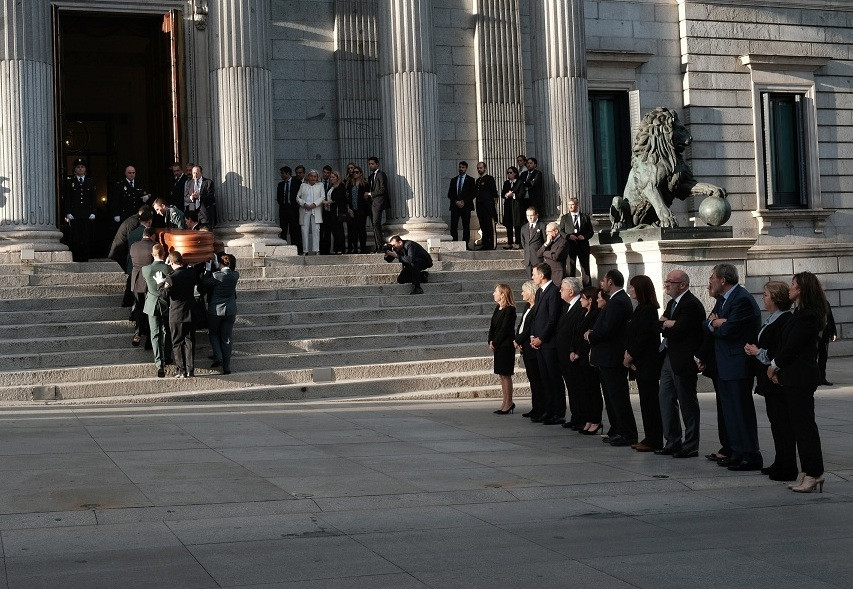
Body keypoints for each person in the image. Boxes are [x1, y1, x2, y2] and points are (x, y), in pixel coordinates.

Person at [768, 271, 828, 493]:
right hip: (792, 377)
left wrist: (774, 365)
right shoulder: (799, 313)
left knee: (805, 428)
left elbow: (792, 347)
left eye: (793, 285)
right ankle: (807, 471)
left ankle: (814, 473)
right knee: (798, 426)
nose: (789, 288)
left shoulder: (808, 315)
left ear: (801, 289)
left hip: (800, 378)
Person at [705, 263, 762, 471]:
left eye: (712, 277)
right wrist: (715, 323)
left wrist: (718, 324)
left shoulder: (742, 299)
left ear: (723, 279)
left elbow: (729, 330)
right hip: (724, 365)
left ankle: (749, 454)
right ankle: (737, 452)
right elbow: (708, 323)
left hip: (738, 365)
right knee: (730, 412)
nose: (709, 281)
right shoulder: (723, 299)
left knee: (741, 411)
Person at [744, 281, 795, 481]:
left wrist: (758, 352)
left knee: (783, 424)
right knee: (776, 423)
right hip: (767, 379)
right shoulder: (773, 319)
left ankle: (788, 465)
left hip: (777, 380)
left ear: (774, 298)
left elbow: (780, 351)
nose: (763, 298)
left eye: (765, 295)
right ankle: (780, 461)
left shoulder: (784, 320)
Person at [655, 270, 706, 458]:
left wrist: (669, 325)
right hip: (669, 357)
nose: (666, 284)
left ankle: (691, 444)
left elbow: (680, 330)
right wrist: (668, 324)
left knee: (687, 402)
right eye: (666, 281)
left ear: (682, 285)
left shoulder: (691, 304)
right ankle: (672, 440)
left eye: (670, 282)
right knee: (665, 397)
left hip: (684, 359)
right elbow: (661, 325)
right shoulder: (672, 303)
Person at [586, 269, 637, 446]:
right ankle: (616, 429)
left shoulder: (618, 301)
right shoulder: (616, 300)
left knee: (618, 397)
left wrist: (591, 335)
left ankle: (627, 433)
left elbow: (608, 328)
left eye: (604, 280)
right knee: (611, 397)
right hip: (607, 357)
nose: (602, 283)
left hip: (612, 357)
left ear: (611, 282)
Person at [624, 275, 663, 452]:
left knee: (650, 403)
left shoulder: (648, 310)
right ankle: (649, 437)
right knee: (646, 402)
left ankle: (653, 439)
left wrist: (630, 355)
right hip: (639, 362)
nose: (630, 290)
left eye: (632, 287)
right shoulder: (640, 308)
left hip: (647, 363)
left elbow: (644, 337)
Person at [529, 263, 565, 425]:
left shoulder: (554, 292)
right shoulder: (539, 292)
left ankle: (558, 412)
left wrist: (541, 338)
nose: (532, 277)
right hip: (539, 343)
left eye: (534, 274)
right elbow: (536, 317)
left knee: (553, 378)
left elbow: (552, 320)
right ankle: (548, 410)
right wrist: (532, 336)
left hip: (549, 343)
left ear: (542, 275)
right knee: (544, 378)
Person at [157, 251, 198, 378]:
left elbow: (164, 294)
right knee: (190, 341)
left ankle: (181, 370)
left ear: (171, 262)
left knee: (177, 342)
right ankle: (190, 369)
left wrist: (159, 283)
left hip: (177, 314)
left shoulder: (171, 277)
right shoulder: (191, 272)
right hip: (190, 311)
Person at [554, 277, 585, 429]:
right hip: (564, 354)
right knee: (571, 388)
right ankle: (575, 416)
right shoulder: (567, 306)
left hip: (573, 355)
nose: (560, 291)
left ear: (571, 291)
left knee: (578, 388)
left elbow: (578, 331)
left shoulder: (580, 306)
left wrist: (575, 350)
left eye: (562, 289)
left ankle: (581, 417)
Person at [573, 287, 604, 435]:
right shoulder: (582, 313)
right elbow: (578, 334)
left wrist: (580, 353)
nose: (580, 300)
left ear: (589, 299)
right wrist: (573, 351)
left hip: (588, 358)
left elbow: (589, 337)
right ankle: (588, 419)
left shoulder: (595, 314)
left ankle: (596, 420)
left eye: (583, 298)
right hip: (579, 357)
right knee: (584, 390)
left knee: (593, 391)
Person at [203, 253, 240, 375]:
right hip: (230, 310)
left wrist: (209, 268)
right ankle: (226, 366)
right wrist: (217, 265)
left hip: (216, 310)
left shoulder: (217, 275)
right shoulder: (235, 275)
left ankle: (218, 357)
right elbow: (226, 271)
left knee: (213, 333)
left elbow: (205, 282)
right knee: (227, 338)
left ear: (222, 263)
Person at [141, 243, 173, 377]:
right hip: (166, 303)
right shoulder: (169, 268)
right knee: (167, 331)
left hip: (152, 304)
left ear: (152, 254)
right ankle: (167, 356)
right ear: (164, 253)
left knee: (155, 334)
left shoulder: (146, 269)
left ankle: (159, 362)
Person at [515, 281, 545, 419]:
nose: (522, 293)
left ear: (531, 292)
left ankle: (541, 408)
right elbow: (521, 325)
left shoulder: (535, 308)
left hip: (532, 347)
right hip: (524, 347)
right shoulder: (527, 306)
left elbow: (528, 329)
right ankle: (535, 407)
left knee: (537, 379)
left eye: (524, 291)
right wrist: (517, 339)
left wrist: (519, 340)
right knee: (532, 379)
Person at [61, 157, 97, 262]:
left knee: (86, 236)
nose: (80, 169)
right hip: (74, 214)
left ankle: (85, 257)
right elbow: (67, 198)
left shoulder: (90, 182)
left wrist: (93, 212)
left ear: (85, 169)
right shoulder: (70, 182)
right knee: (75, 237)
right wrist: (67, 212)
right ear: (74, 169)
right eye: (78, 167)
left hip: (86, 214)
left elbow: (93, 198)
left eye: (82, 167)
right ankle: (76, 256)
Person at [489, 284, 517, 414]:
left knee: (506, 374)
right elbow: (493, 326)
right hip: (498, 345)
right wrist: (490, 341)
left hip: (505, 345)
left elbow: (505, 329)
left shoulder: (510, 310)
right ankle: (504, 401)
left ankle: (509, 402)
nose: (493, 294)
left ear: (502, 294)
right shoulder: (497, 308)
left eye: (496, 292)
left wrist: (495, 342)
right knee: (501, 374)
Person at [128, 227, 156, 349]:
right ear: (152, 236)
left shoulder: (134, 246)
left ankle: (138, 332)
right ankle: (149, 339)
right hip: (149, 280)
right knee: (150, 309)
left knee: (139, 307)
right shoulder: (154, 246)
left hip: (137, 280)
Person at [558, 197, 594, 286]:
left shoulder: (585, 217)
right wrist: (569, 236)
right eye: (569, 205)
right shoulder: (564, 218)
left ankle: (587, 289)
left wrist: (584, 237)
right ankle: (571, 287)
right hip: (570, 247)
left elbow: (591, 232)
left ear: (577, 205)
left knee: (585, 269)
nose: (570, 207)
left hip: (583, 247)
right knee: (570, 269)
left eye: (572, 204)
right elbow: (561, 231)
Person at [447, 161, 476, 247]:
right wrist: (456, 201)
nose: (461, 169)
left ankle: (465, 244)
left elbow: (473, 193)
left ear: (466, 168)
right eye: (460, 167)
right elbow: (450, 194)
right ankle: (454, 244)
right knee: (453, 226)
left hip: (466, 206)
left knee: (466, 226)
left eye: (463, 167)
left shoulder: (470, 180)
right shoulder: (453, 180)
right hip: (455, 206)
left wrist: (464, 201)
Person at [296, 170, 325, 254]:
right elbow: (297, 197)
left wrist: (315, 204)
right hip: (305, 209)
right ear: (308, 177)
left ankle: (316, 250)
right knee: (304, 230)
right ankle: (305, 250)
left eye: (315, 176)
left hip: (315, 209)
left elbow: (322, 197)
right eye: (311, 176)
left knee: (316, 229)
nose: (313, 178)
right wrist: (304, 203)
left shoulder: (320, 185)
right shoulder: (303, 185)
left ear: (317, 177)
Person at [365, 156, 390, 252]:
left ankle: (380, 246)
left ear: (377, 164)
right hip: (372, 203)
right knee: (375, 224)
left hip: (378, 202)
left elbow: (383, 189)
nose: (370, 166)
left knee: (376, 223)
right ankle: (378, 246)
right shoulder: (371, 177)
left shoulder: (381, 174)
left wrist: (370, 194)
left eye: (372, 164)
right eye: (369, 164)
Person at [536, 222, 569, 287]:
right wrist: (546, 244)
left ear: (556, 231)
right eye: (546, 231)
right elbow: (539, 254)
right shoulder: (548, 241)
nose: (547, 234)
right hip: (547, 273)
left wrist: (544, 253)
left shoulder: (563, 242)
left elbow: (555, 256)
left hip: (557, 274)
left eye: (549, 231)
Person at [475, 161, 499, 250]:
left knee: (490, 226)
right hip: (480, 207)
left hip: (488, 207)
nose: (479, 169)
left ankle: (492, 244)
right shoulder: (477, 181)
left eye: (480, 168)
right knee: (483, 226)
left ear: (484, 168)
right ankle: (485, 244)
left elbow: (494, 193)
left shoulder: (489, 178)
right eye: (478, 168)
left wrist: (492, 206)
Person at [501, 166, 525, 250]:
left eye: (511, 172)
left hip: (516, 206)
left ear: (515, 173)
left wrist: (513, 195)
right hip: (508, 206)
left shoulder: (519, 182)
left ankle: (518, 242)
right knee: (508, 224)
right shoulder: (506, 183)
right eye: (508, 172)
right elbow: (502, 194)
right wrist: (507, 195)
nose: (509, 174)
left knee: (517, 224)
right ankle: (509, 242)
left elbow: (521, 194)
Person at [346, 165, 369, 253]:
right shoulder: (351, 184)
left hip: (361, 210)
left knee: (362, 229)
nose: (355, 174)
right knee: (353, 230)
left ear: (360, 173)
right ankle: (355, 248)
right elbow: (348, 197)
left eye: (357, 172)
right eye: (354, 172)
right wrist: (349, 208)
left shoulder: (365, 184)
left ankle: (363, 248)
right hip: (353, 210)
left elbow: (367, 197)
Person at [324, 170, 347, 254]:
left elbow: (338, 198)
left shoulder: (340, 186)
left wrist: (328, 202)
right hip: (330, 211)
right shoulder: (331, 187)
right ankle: (336, 248)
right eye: (331, 177)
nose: (331, 179)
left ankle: (341, 248)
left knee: (339, 230)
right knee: (334, 230)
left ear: (337, 178)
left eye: (333, 177)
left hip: (337, 211)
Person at [520, 208, 546, 277]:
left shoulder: (542, 226)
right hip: (528, 260)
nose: (529, 217)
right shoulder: (523, 228)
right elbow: (523, 242)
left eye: (531, 215)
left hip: (538, 258)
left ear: (537, 215)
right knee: (530, 280)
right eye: (528, 215)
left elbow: (545, 241)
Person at [818, 300, 836, 386]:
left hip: (824, 334)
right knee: (813, 357)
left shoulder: (825, 302)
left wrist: (833, 332)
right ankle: (815, 377)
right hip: (814, 334)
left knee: (823, 357)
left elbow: (830, 317)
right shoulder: (809, 302)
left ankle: (822, 378)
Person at [276, 166, 294, 241]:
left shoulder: (296, 182)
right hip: (283, 209)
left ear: (288, 173)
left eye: (282, 173)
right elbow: (278, 198)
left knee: (293, 230)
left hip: (293, 209)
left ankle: (295, 246)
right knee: (283, 229)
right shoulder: (280, 184)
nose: (281, 175)